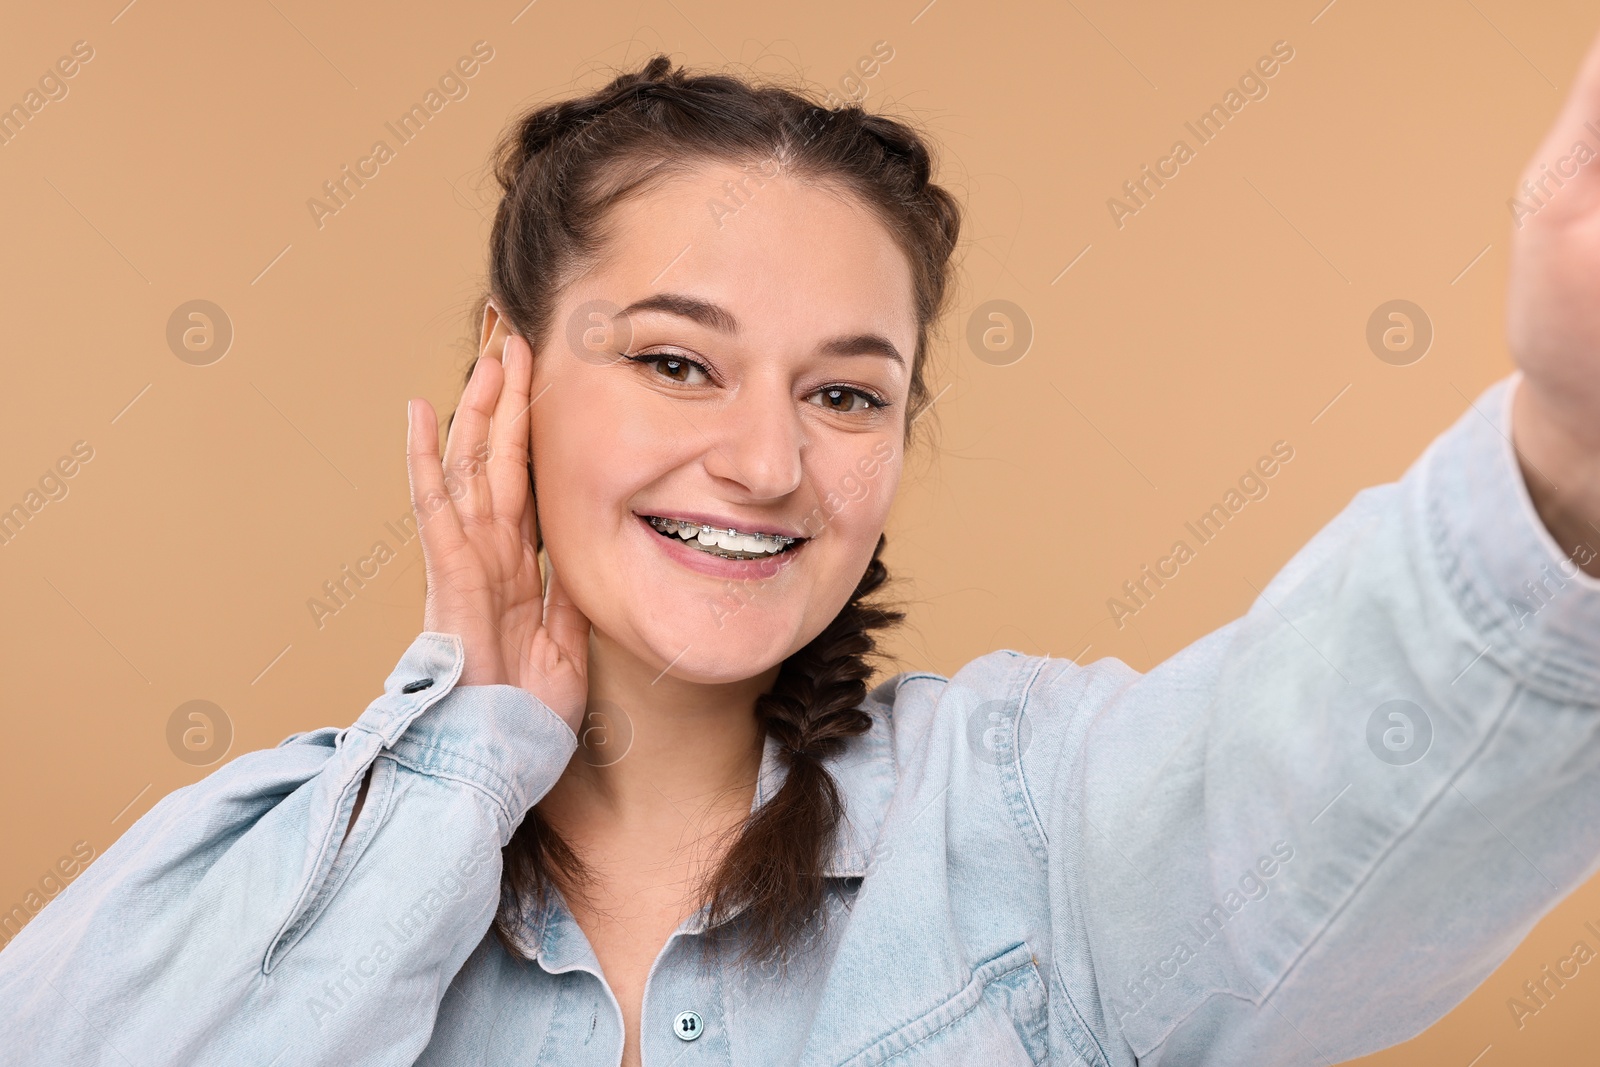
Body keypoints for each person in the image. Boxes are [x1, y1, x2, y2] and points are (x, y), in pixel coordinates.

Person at [6, 43, 1600, 1067]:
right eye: (677, 363)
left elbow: (1330, 769)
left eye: (845, 393)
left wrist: (1572, 445)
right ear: (512, 372)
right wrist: (462, 759)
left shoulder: (1018, 814)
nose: (768, 463)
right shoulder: (259, 858)